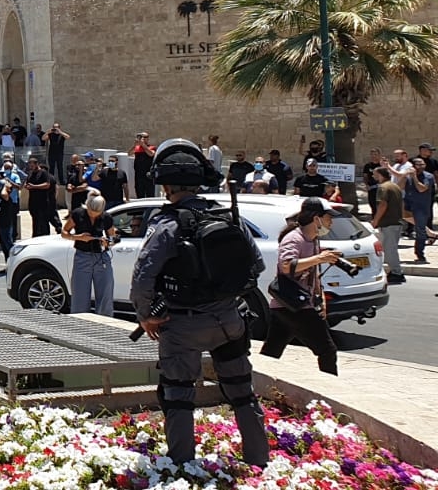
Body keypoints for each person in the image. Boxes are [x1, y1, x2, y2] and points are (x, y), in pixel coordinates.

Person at [129, 139, 268, 468]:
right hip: (231, 321)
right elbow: (256, 266)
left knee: (178, 397)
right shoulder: (228, 217)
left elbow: (142, 281)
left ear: (165, 185)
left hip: (183, 327)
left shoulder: (167, 226)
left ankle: (182, 469)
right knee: (242, 393)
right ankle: (259, 461)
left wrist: (147, 317)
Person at [259, 198, 340, 375]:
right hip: (294, 305)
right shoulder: (294, 238)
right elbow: (286, 265)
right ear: (316, 218)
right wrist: (320, 258)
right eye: (328, 218)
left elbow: (313, 273)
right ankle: (329, 390)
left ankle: (257, 385)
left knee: (271, 352)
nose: (331, 222)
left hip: (288, 306)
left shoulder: (313, 239)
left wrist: (321, 297)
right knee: (327, 350)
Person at [62, 194, 116, 316]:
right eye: (91, 212)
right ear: (87, 206)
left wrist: (108, 242)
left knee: (105, 294)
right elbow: (64, 233)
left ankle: (104, 323)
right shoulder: (78, 214)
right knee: (80, 295)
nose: (93, 215)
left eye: (97, 213)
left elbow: (113, 238)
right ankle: (80, 323)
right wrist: (78, 238)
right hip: (82, 256)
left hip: (101, 257)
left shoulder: (106, 218)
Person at [371, 166, 407, 284]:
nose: (373, 176)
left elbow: (382, 205)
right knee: (388, 249)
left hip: (388, 223)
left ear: (380, 175)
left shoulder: (383, 187)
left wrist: (375, 220)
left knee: (390, 250)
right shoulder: (395, 186)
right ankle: (393, 270)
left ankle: (397, 273)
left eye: (375, 174)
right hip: (396, 222)